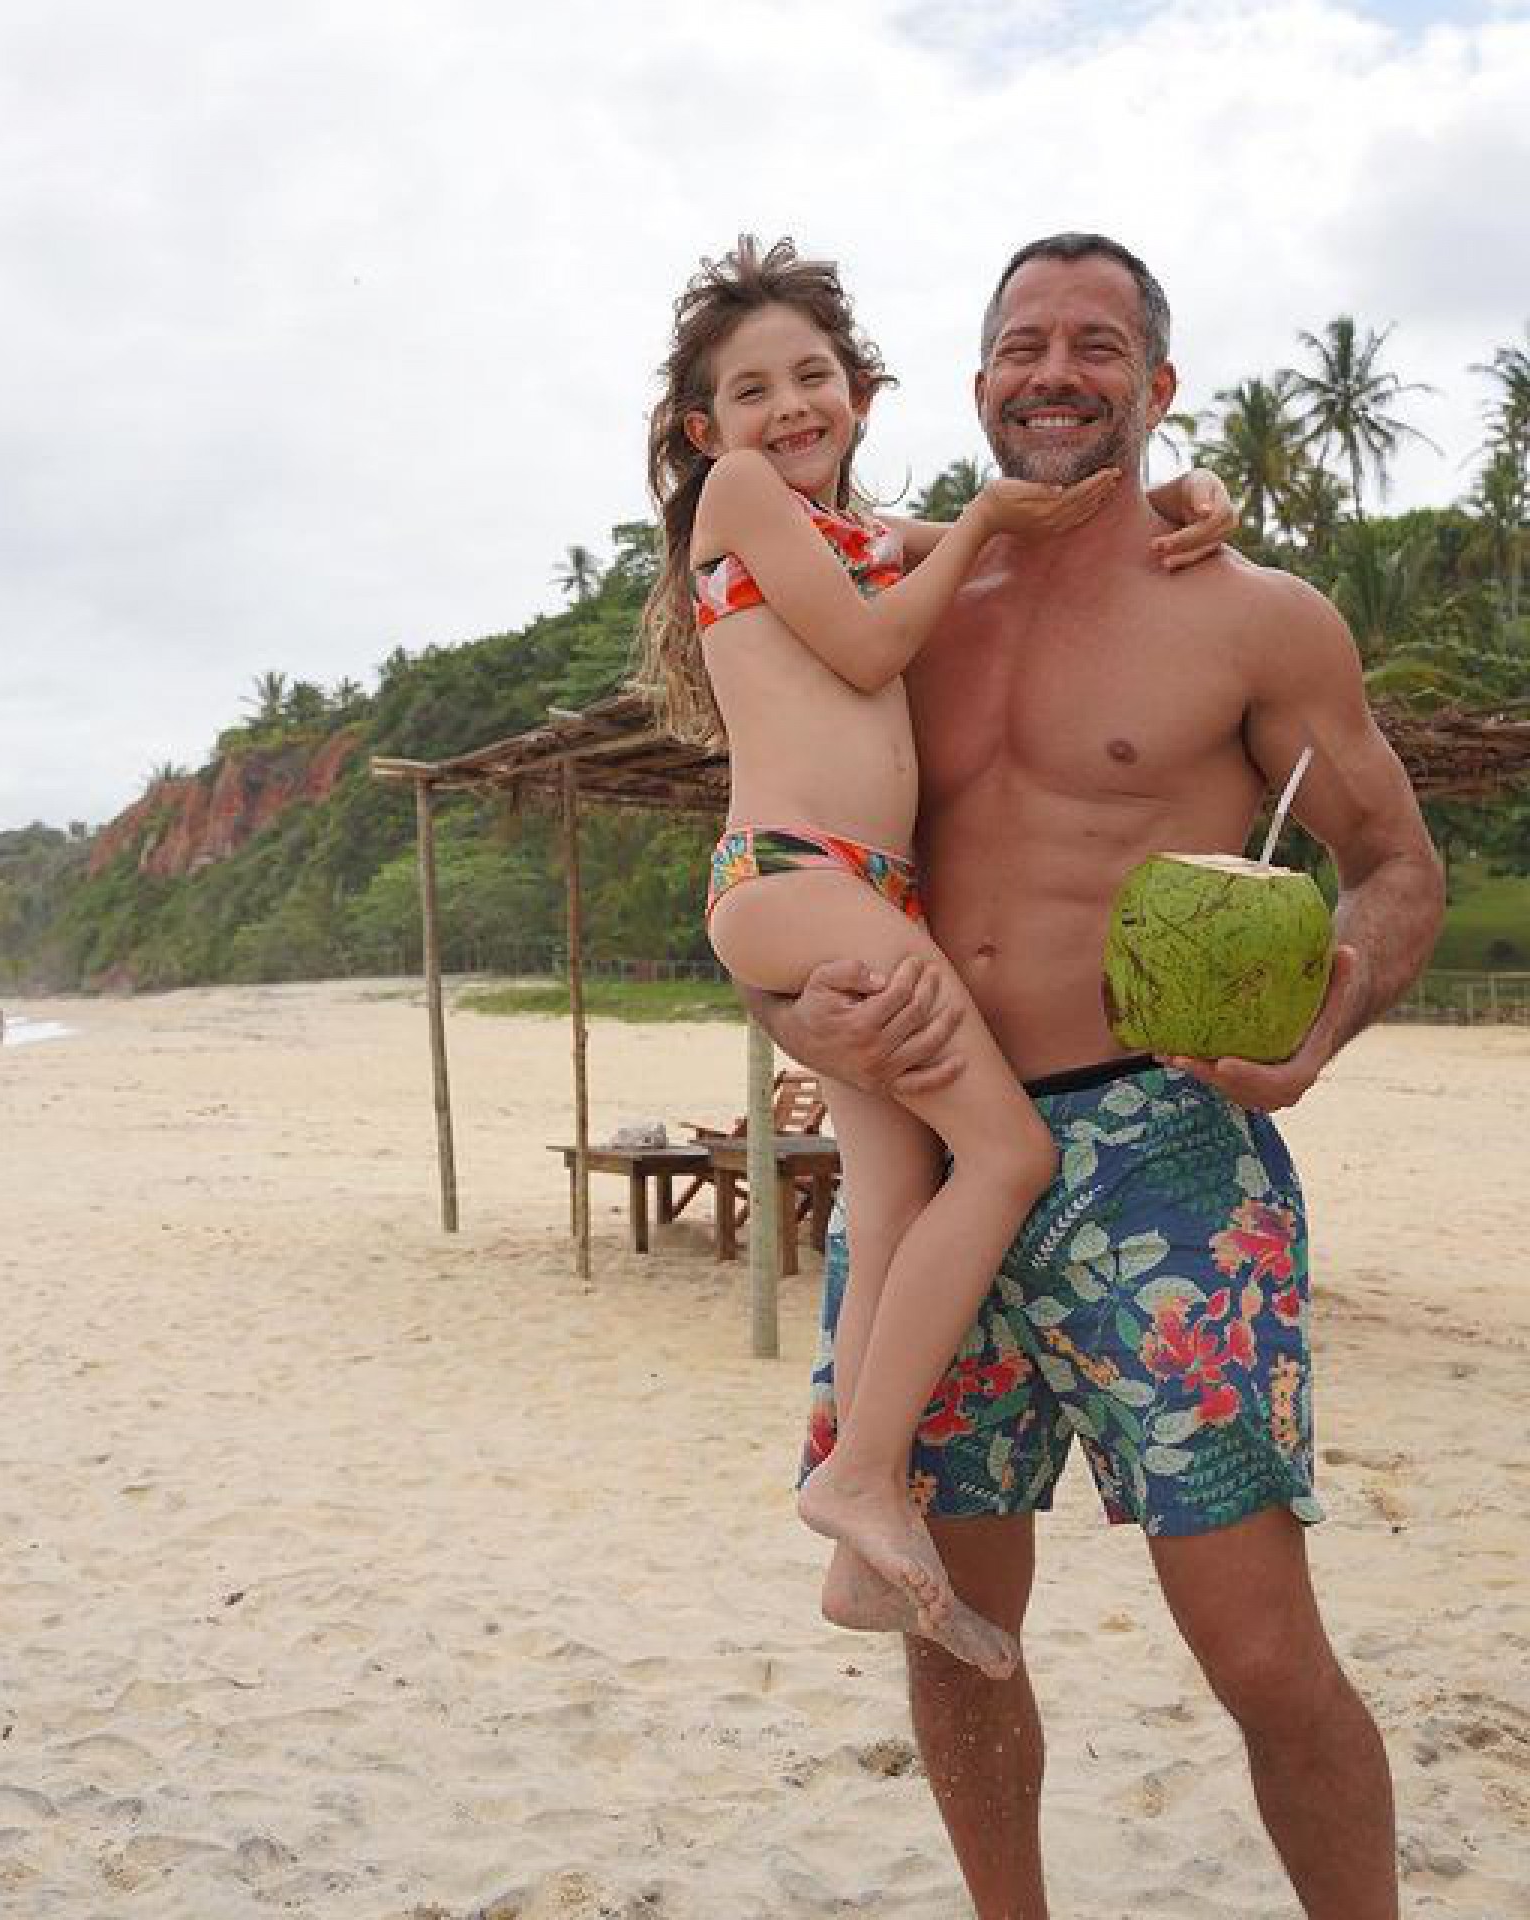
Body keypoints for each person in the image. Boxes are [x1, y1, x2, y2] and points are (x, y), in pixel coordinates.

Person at [747, 233, 1441, 1919]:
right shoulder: (886, 599)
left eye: (1097, 344)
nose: (1056, 371)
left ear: (1159, 384)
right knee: (954, 1626)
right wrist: (796, 1026)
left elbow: (1396, 864)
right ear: (975, 380)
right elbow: (787, 833)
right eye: (1021, 343)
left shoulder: (1258, 615)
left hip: (1159, 1152)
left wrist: (1316, 1035)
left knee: (1260, 1651)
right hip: (931, 1140)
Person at [639, 236, 1232, 1681]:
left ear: (860, 391)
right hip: (797, 877)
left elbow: (1050, 531)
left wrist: (1185, 497)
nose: (792, 406)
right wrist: (968, 528)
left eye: (816, 376)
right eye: (755, 387)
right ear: (708, 430)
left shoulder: (861, 526)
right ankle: (856, 1471)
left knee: (898, 1188)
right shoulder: (743, 502)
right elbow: (865, 644)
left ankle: (861, 1533)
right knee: (1009, 1156)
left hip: (858, 889)